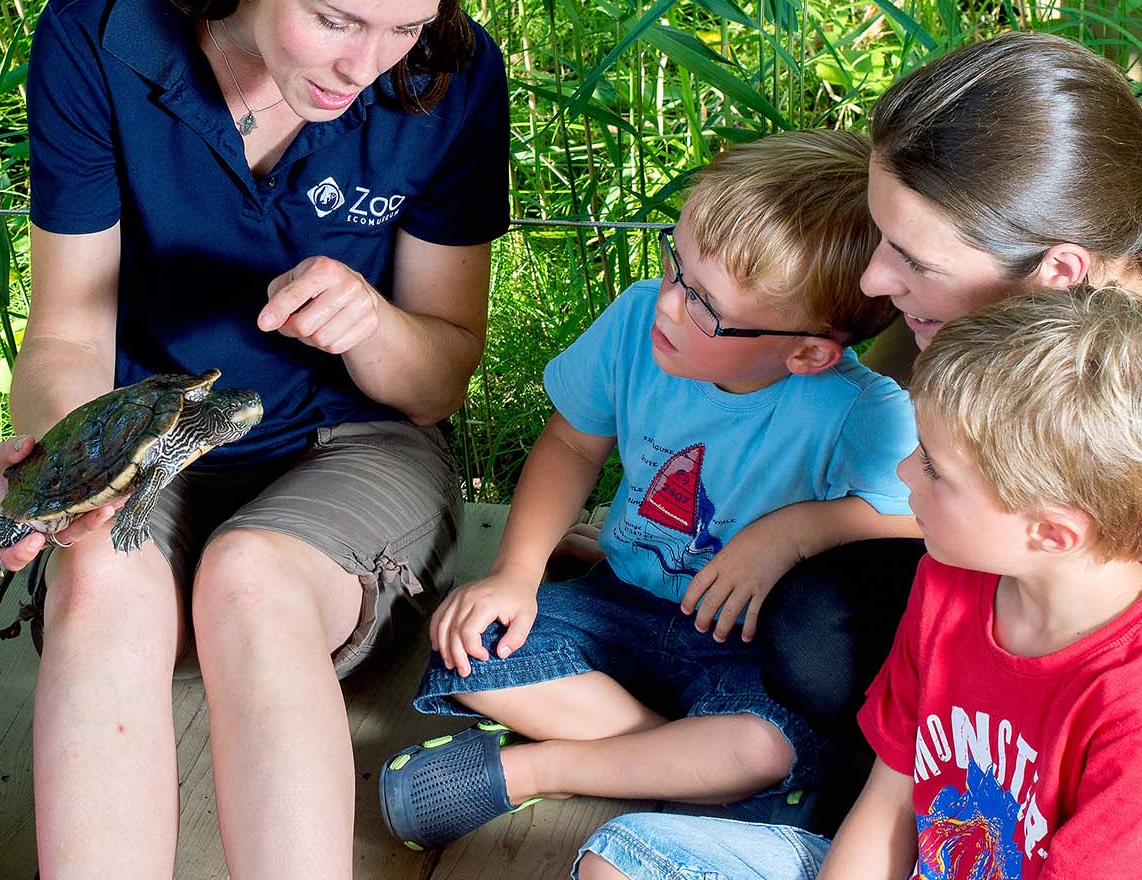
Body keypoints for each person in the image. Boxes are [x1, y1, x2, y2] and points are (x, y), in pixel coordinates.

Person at [0, 0, 510, 874]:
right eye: (338, 19)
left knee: (249, 580)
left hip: (351, 446)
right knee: (96, 572)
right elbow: (68, 329)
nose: (369, 64)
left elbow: (439, 378)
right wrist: (69, 462)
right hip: (154, 427)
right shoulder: (101, 35)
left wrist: (374, 325)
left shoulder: (451, 75)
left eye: (405, 25)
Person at [735, 32, 1142, 831]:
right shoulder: (967, 309)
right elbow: (903, 464)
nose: (874, 280)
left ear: (1061, 271)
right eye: (881, 237)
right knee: (816, 632)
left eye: (913, 258)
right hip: (1034, 578)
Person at [578, 285, 1142, 880]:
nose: (904, 475)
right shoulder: (949, 584)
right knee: (623, 855)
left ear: (1052, 533)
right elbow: (891, 797)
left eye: (934, 468)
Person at [374, 132, 917, 850]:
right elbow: (571, 444)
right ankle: (678, 767)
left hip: (742, 648)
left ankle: (541, 769)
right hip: (622, 599)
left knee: (765, 749)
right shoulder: (636, 322)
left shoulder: (862, 412)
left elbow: (916, 527)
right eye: (675, 266)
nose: (668, 305)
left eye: (705, 307)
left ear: (808, 352)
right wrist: (516, 571)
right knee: (472, 647)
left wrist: (794, 532)